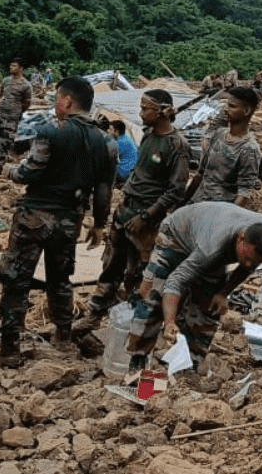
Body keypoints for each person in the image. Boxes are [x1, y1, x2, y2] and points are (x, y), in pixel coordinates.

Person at [0, 77, 117, 366]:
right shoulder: (107, 142)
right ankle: (63, 339)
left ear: (66, 101)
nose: (55, 105)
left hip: (34, 216)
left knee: (16, 279)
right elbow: (104, 190)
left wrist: (8, 170)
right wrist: (99, 224)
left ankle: (10, 349)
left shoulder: (50, 131)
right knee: (61, 280)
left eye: (56, 99)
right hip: (69, 220)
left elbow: (30, 172)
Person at [77, 89, 191, 331]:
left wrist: (147, 216)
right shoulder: (148, 135)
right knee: (111, 267)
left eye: (145, 108)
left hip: (146, 221)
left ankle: (132, 326)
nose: (140, 113)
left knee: (138, 277)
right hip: (125, 212)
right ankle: (94, 315)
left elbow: (175, 191)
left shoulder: (177, 146)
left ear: (162, 111)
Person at [142, 202, 262, 371]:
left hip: (213, 239)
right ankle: (136, 360)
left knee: (209, 306)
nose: (249, 263)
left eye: (256, 262)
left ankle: (188, 365)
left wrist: (223, 293)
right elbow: (176, 281)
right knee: (154, 299)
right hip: (177, 234)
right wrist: (169, 321)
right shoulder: (211, 247)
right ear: (241, 238)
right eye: (247, 257)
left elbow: (247, 267)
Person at [187, 86, 262, 207]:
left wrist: (225, 218)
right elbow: (200, 174)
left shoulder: (249, 149)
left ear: (247, 111)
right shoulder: (219, 134)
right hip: (197, 202)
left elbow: (244, 192)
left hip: (218, 209)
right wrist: (182, 203)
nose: (226, 109)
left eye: (232, 106)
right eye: (227, 105)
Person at [0, 58, 35, 170]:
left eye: (14, 66)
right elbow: (1, 93)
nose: (11, 68)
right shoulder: (6, 80)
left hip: (12, 117)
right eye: (11, 65)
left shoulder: (26, 85)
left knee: (5, 143)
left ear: (21, 68)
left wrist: (17, 111)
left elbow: (26, 102)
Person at [110, 120, 139, 186]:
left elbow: (109, 158)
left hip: (124, 173)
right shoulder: (126, 138)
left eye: (110, 129)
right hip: (131, 171)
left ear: (116, 131)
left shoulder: (119, 143)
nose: (109, 131)